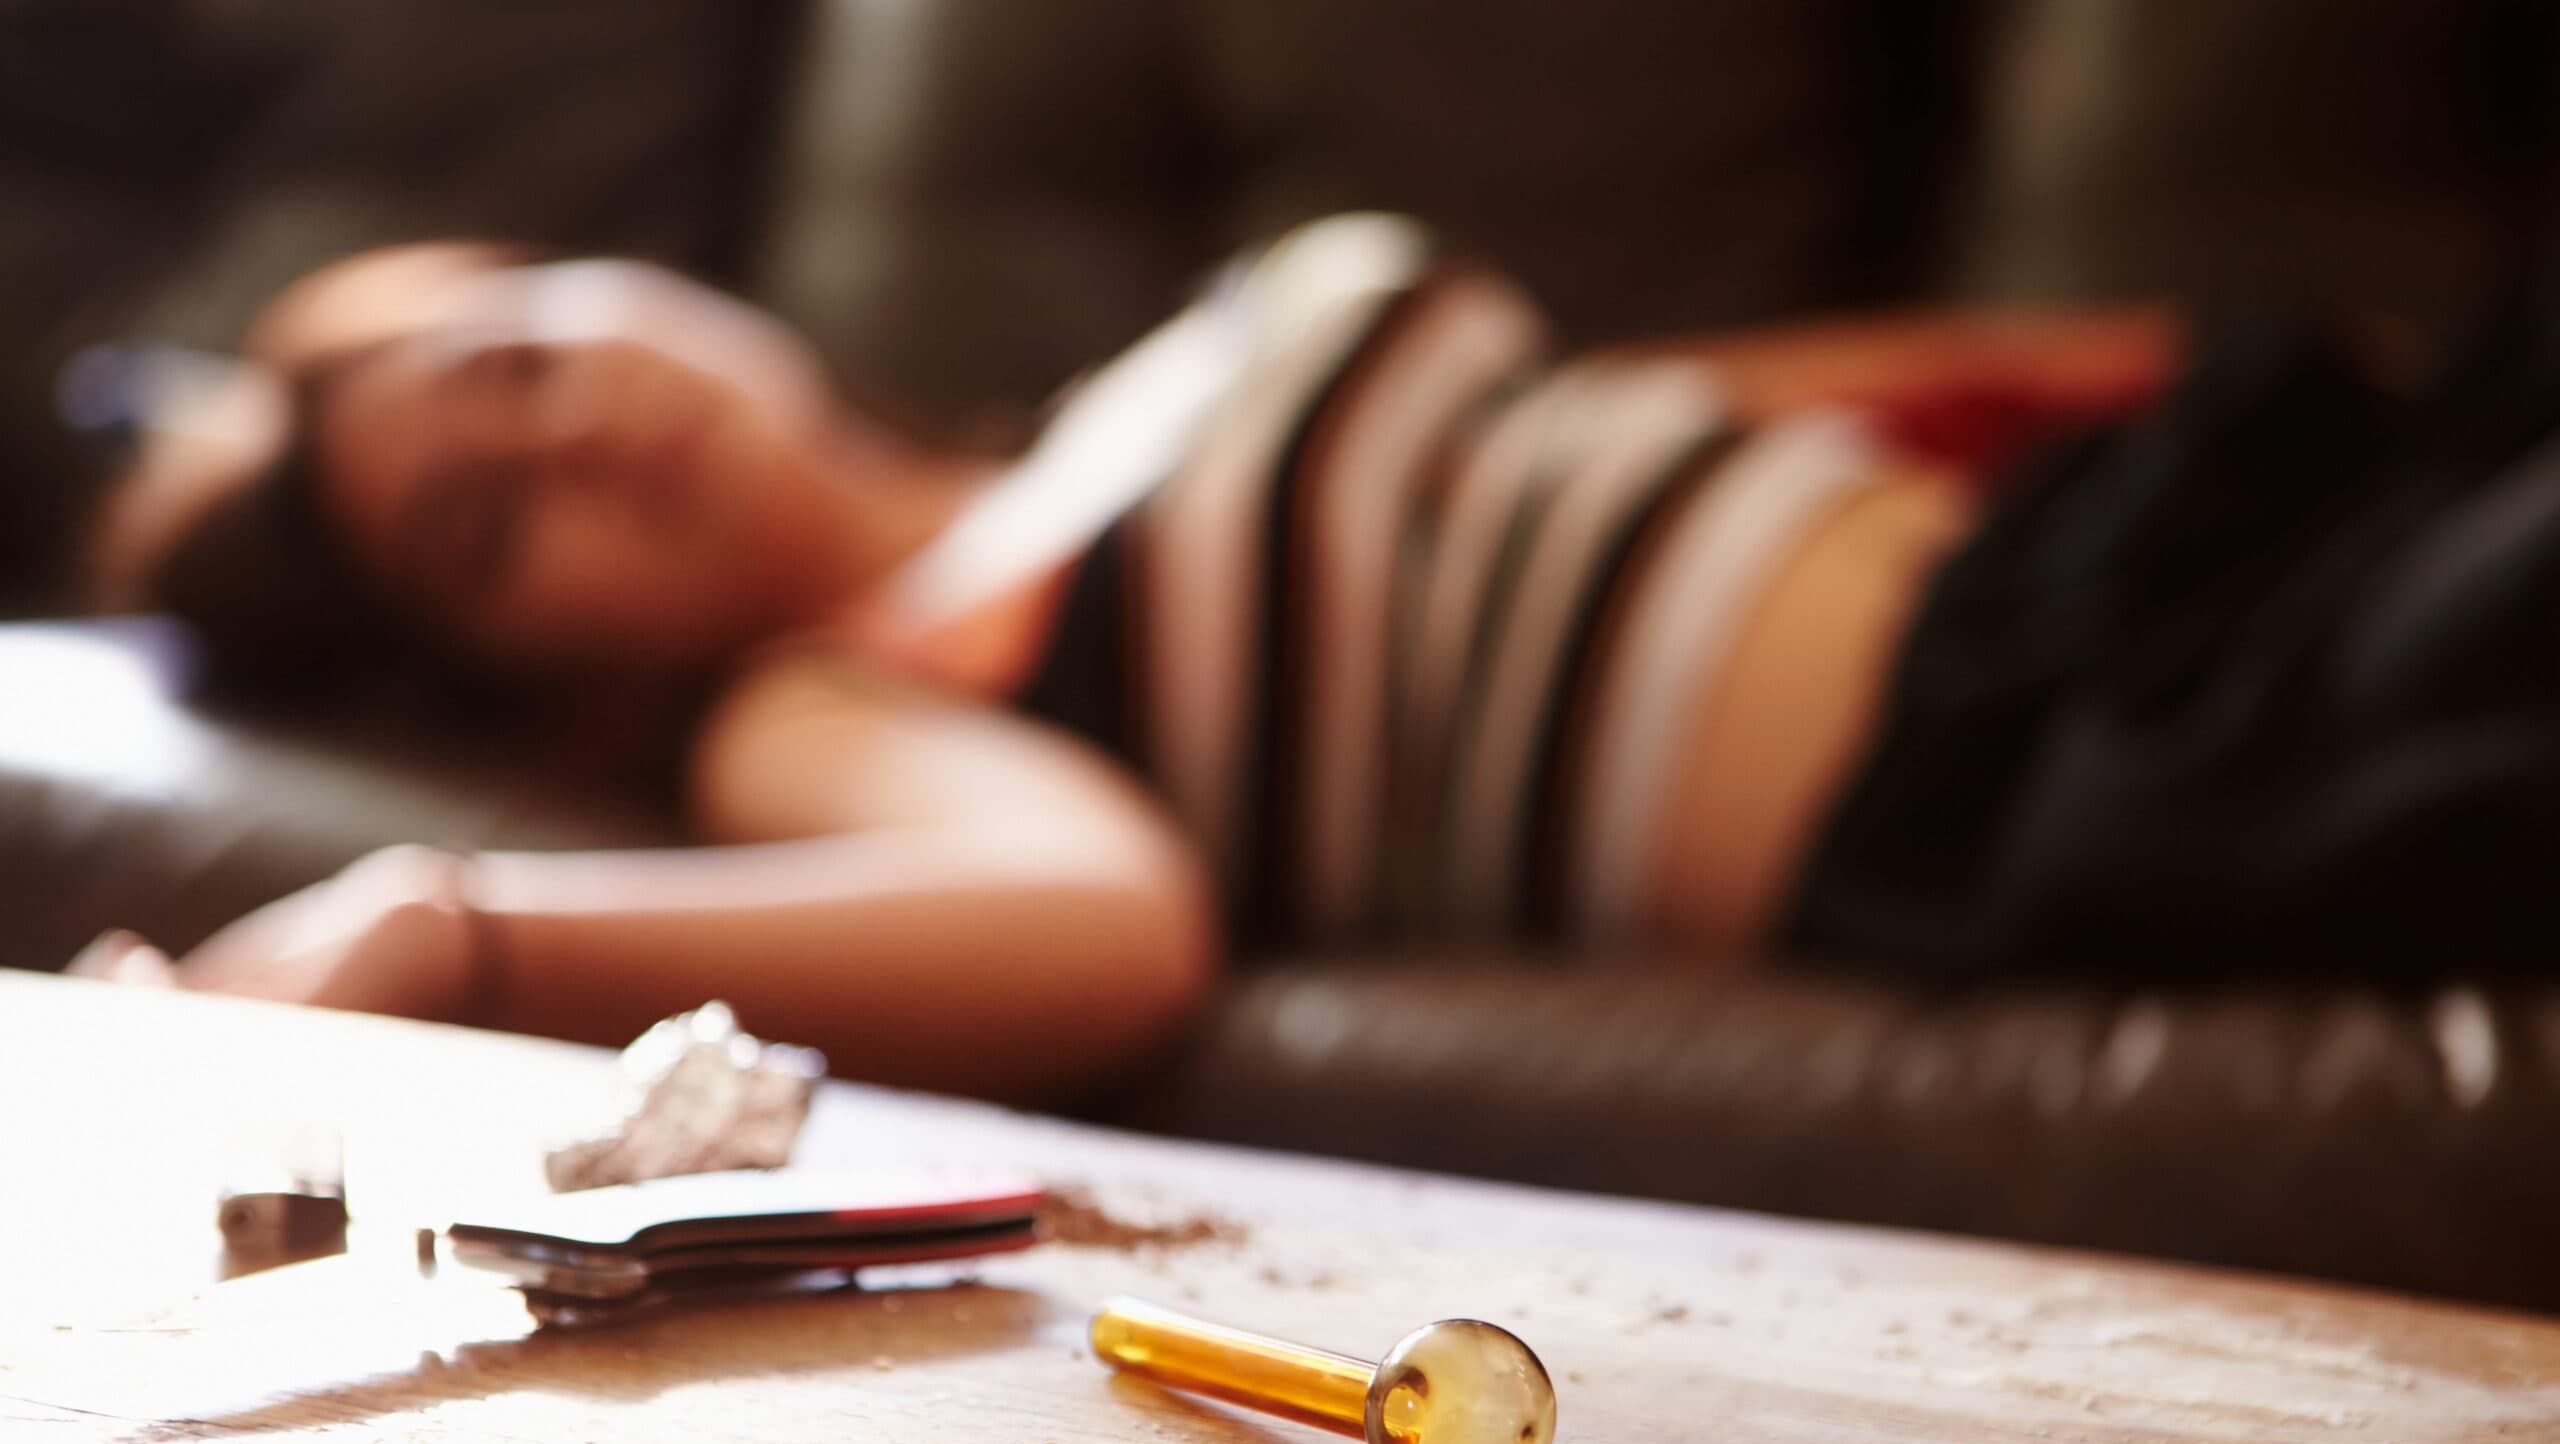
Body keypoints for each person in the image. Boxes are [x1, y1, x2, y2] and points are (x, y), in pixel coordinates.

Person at [82, 215, 2346, 1102]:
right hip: (2066, 751)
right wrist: (437, 928)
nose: (575, 423)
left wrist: (2114, 368)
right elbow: (1104, 929)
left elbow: (1681, 396)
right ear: (538, 691)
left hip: (2168, 522)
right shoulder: (835, 691)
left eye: (514, 353)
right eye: (490, 526)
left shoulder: (1119, 401)